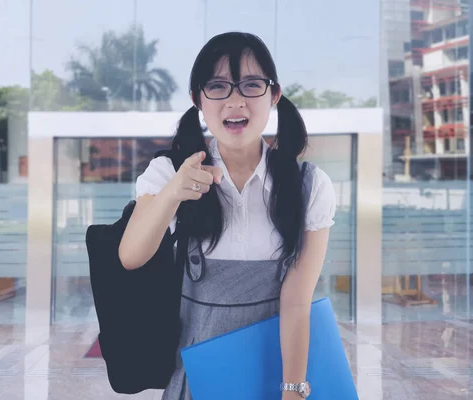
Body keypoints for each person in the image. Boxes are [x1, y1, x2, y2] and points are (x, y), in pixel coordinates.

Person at [118, 32, 336, 400]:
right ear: (197, 100)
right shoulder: (169, 172)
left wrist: (294, 391)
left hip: (276, 372)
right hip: (197, 376)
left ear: (274, 95)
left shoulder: (309, 186)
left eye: (251, 85)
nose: (236, 101)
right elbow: (130, 255)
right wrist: (174, 192)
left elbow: (298, 299)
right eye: (218, 87)